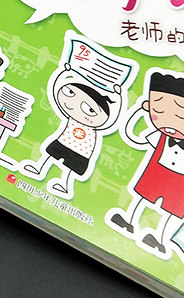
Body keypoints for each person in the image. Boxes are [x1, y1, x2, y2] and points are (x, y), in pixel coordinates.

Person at [108, 71, 184, 257]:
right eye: (158, 112)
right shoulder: (159, 136)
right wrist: (139, 111)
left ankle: (159, 238)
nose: (172, 124)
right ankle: (129, 220)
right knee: (142, 197)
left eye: (183, 117)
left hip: (181, 187)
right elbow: (131, 136)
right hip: (156, 174)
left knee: (171, 213)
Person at [21, 67, 120, 199]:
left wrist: (118, 97)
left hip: (80, 152)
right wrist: (65, 72)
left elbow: (113, 122)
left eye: (91, 110)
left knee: (71, 169)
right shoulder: (71, 118)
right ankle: (39, 168)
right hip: (63, 142)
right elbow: (54, 92)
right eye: (70, 93)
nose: (73, 105)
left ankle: (66, 185)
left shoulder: (95, 128)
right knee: (50, 154)